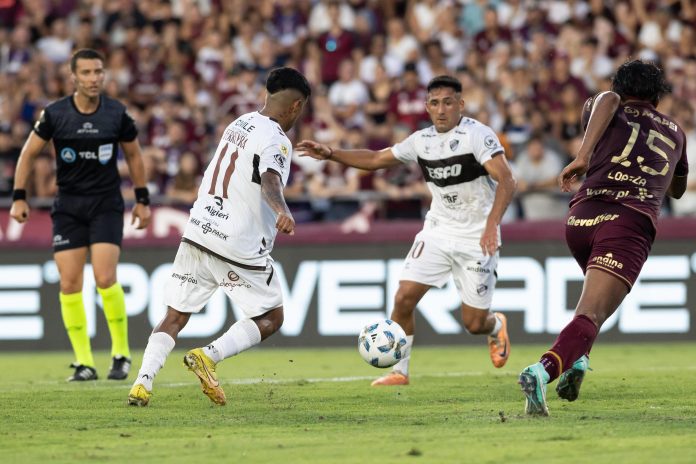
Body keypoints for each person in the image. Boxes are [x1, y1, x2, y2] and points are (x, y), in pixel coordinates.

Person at [297, 75, 517, 386]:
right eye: (435, 103)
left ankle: (495, 327)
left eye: (448, 102)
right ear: (427, 106)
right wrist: (331, 152)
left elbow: (507, 180)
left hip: (476, 236)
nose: (442, 109)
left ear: (461, 104)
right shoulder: (420, 141)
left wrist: (492, 223)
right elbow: (375, 159)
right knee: (403, 298)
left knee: (473, 323)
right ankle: (400, 371)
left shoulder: (477, 136)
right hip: (438, 231)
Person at [127, 67, 311, 407]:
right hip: (236, 241)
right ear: (296, 106)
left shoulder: (238, 123)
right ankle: (208, 356)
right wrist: (282, 210)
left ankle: (142, 383)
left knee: (175, 315)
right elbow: (270, 178)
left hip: (199, 228)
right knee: (272, 316)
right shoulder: (277, 139)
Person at [518, 60, 689, 416]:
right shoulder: (675, 131)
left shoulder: (602, 110)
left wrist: (585, 155)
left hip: (581, 219)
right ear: (657, 95)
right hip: (627, 221)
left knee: (595, 306)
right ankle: (542, 370)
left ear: (620, 83)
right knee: (593, 312)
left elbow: (606, 101)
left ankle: (578, 361)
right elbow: (677, 189)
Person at [9, 48, 151, 382]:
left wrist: (142, 200)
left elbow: (134, 155)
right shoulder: (55, 114)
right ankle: (84, 362)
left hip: (106, 205)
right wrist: (19, 197)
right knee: (70, 283)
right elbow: (28, 155)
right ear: (73, 77)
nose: (93, 78)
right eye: (86, 73)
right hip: (69, 208)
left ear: (104, 74)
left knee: (104, 278)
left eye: (98, 72)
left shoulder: (116, 113)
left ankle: (120, 354)